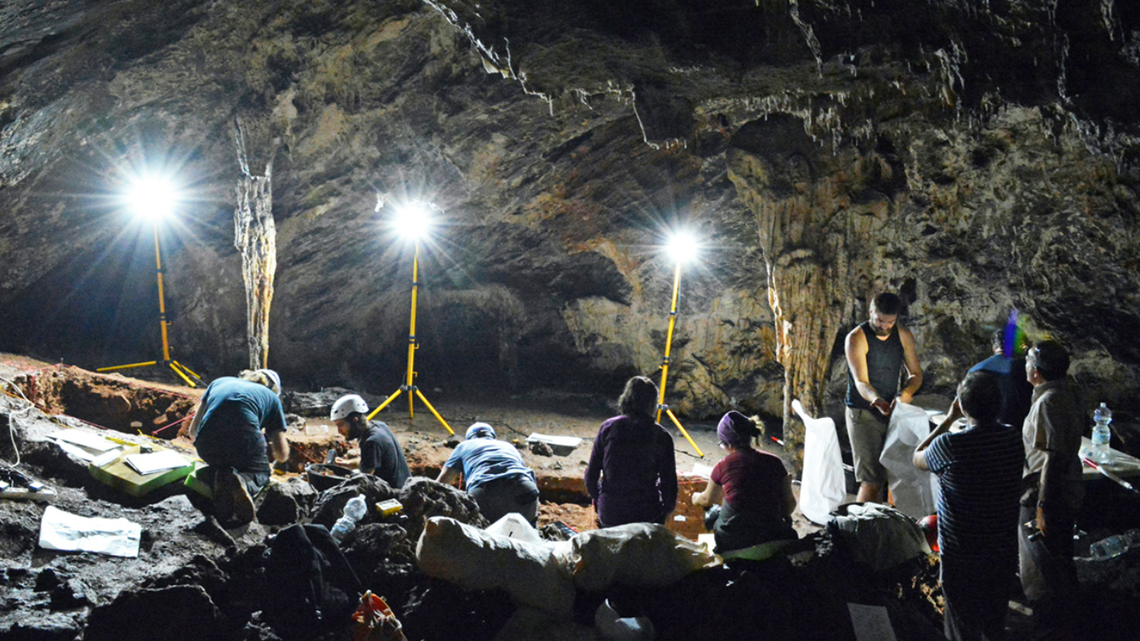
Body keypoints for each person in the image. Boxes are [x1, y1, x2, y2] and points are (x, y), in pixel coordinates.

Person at [913, 371, 1024, 641]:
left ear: (963, 406)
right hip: (1002, 549)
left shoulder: (950, 445)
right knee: (993, 624)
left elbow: (917, 457)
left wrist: (949, 418)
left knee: (961, 627)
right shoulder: (1011, 438)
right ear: (999, 406)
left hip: (963, 554)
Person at [1019, 340, 1084, 635]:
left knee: (1044, 567)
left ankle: (1054, 628)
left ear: (1037, 371)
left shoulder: (1049, 402)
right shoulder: (1063, 391)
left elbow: (1052, 459)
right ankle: (1067, 622)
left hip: (1046, 494)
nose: (1026, 366)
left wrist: (1042, 507)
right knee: (1057, 560)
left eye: (1029, 361)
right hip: (1059, 490)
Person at [844, 292, 923, 502]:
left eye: (890, 322)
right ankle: (859, 530)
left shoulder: (903, 335)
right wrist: (876, 400)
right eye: (879, 320)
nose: (884, 326)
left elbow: (915, 373)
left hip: (893, 411)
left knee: (895, 476)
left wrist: (905, 394)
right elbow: (861, 381)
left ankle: (886, 528)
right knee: (871, 480)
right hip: (863, 412)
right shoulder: (856, 338)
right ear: (871, 312)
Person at [188, 368, 289, 526]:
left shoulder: (219, 381)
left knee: (222, 461)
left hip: (206, 446)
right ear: (274, 390)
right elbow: (281, 453)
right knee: (261, 472)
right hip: (244, 443)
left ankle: (220, 473)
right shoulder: (271, 398)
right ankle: (244, 482)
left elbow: (192, 431)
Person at [692, 411, 797, 553]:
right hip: (774, 534)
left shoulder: (724, 465)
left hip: (735, 541)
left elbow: (707, 499)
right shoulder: (775, 462)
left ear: (728, 444)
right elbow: (789, 506)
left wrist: (696, 497)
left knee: (712, 513)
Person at [585, 376, 678, 527]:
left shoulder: (608, 428)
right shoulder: (662, 436)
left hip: (611, 513)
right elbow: (669, 486)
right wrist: (664, 514)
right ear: (653, 404)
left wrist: (601, 500)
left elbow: (591, 477)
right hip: (646, 514)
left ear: (626, 398)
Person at [436, 422, 540, 526]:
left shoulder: (463, 446)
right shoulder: (509, 446)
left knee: (481, 536)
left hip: (486, 493)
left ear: (470, 438)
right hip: (525, 490)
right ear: (493, 437)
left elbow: (442, 483)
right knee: (525, 535)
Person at [330, 394, 410, 489]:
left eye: (341, 425)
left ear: (354, 420)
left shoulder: (372, 442)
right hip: (405, 488)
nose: (339, 431)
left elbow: (363, 481)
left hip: (394, 496)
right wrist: (346, 464)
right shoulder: (380, 426)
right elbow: (369, 462)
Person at [969, 328, 1033, 428]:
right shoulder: (1025, 369)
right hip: (1016, 432)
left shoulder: (975, 370)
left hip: (982, 430)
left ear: (994, 348)